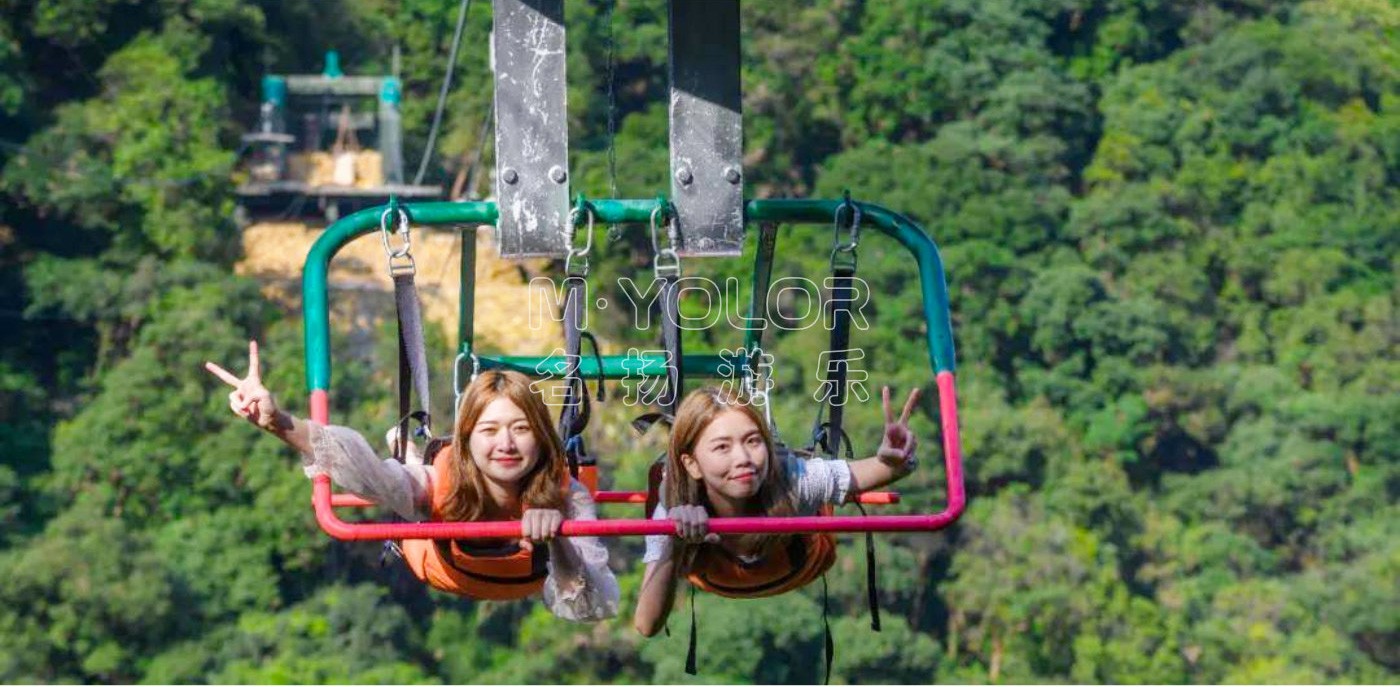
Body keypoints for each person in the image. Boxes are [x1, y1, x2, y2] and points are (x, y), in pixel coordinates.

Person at [206, 341, 619, 622]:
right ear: (467, 440)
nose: (506, 444)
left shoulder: (566, 496)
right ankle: (408, 453)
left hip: (525, 577)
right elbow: (366, 474)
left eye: (521, 429)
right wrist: (278, 423)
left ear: (542, 437)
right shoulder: (437, 484)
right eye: (490, 431)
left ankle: (408, 448)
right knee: (405, 480)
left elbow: (592, 606)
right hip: (441, 564)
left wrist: (558, 540)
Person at [632, 383, 920, 636]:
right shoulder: (674, 507)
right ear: (692, 464)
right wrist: (675, 543)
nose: (743, 458)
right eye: (722, 447)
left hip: (801, 564)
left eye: (753, 441)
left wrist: (893, 461)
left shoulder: (795, 481)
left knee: (806, 488)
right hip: (718, 574)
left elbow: (872, 472)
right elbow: (646, 625)